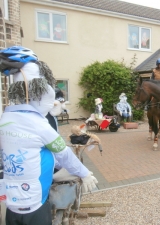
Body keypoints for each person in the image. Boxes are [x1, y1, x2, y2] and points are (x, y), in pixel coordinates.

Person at [0, 46, 98, 225]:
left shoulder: (6, 118)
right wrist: (84, 174)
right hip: (35, 205)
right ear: (40, 93)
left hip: (12, 204)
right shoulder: (38, 124)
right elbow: (64, 155)